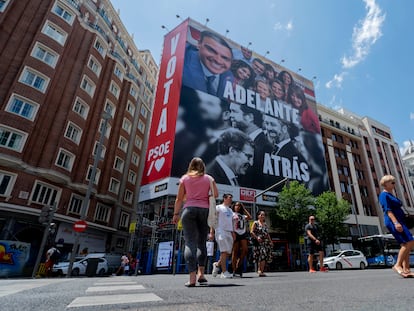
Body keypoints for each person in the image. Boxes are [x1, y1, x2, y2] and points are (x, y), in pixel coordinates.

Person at [173, 157, 218, 287]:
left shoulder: (185, 179)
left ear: (190, 166)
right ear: (203, 166)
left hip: (189, 211)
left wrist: (176, 214)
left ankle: (192, 279)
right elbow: (215, 194)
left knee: (190, 243)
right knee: (201, 243)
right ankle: (202, 274)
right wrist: (205, 196)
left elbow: (179, 199)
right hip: (204, 211)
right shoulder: (209, 178)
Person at [229, 102, 272, 188]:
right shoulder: (242, 141)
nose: (231, 115)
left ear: (249, 117)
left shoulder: (264, 145)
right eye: (230, 111)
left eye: (234, 111)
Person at [379, 175, 414, 278]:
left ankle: (406, 270)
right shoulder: (384, 195)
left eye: (394, 182)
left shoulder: (391, 195)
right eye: (392, 182)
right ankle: (397, 265)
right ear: (385, 184)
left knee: (405, 244)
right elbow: (388, 210)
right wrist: (396, 223)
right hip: (393, 221)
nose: (394, 184)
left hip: (401, 221)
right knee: (409, 241)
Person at [182, 30, 234, 97]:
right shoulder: (182, 61)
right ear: (199, 44)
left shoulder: (228, 76)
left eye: (225, 58)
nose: (218, 60)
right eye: (211, 50)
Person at [210, 194, 235, 279]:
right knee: (224, 252)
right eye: (229, 198)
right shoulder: (218, 207)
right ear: (224, 199)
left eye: (231, 198)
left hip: (229, 232)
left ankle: (217, 264)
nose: (231, 200)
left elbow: (232, 222)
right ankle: (224, 272)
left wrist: (233, 232)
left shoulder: (231, 210)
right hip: (220, 231)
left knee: (228, 253)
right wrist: (211, 232)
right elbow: (213, 219)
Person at [231, 202, 252, 277]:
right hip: (235, 233)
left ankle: (238, 265)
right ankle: (234, 270)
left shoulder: (242, 215)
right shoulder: (231, 214)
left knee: (245, 250)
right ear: (234, 206)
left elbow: (250, 217)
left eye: (239, 206)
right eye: (236, 205)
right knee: (235, 252)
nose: (238, 207)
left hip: (243, 233)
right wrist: (231, 232)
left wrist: (244, 208)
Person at [250, 210, 273, 276]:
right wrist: (257, 237)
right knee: (262, 255)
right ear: (258, 216)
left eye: (264, 215)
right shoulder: (255, 223)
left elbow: (267, 234)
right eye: (261, 215)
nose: (263, 216)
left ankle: (261, 271)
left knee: (264, 256)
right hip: (258, 242)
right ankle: (260, 270)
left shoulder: (265, 224)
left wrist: (270, 241)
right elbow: (251, 231)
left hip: (265, 242)